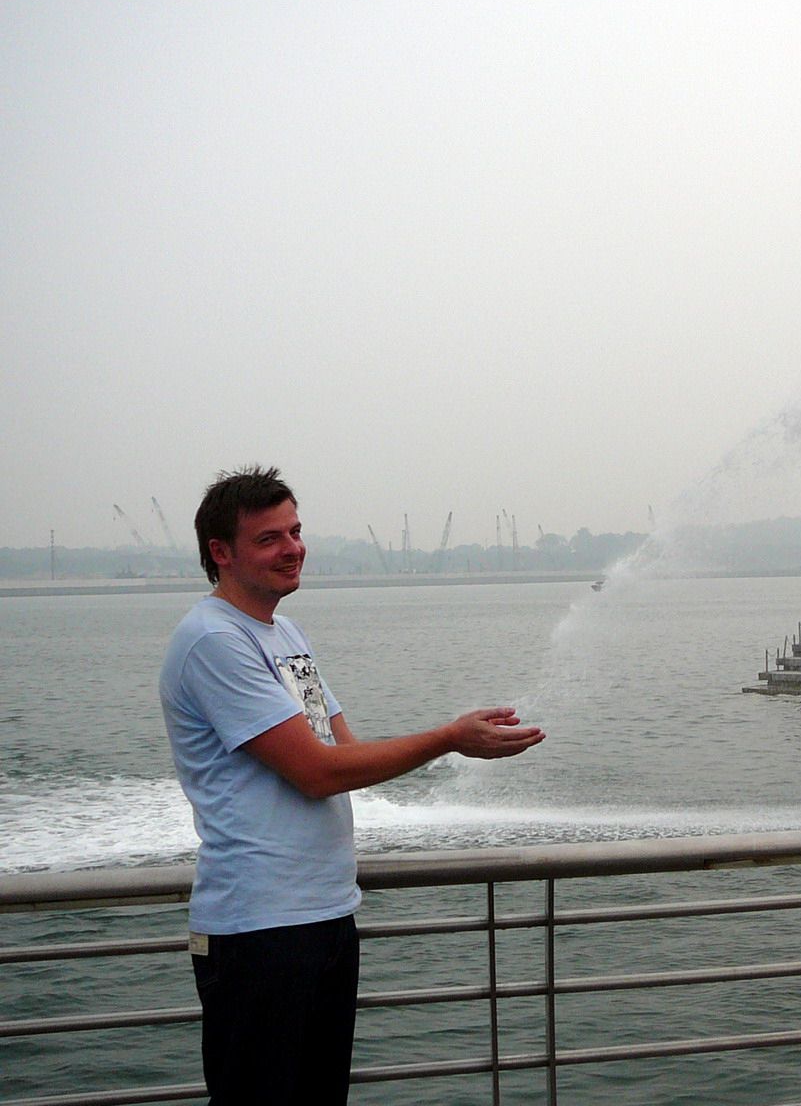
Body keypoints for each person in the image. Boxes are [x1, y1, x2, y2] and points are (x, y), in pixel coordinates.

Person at [159, 465, 545, 1104]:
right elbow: (316, 773)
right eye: (269, 539)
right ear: (220, 553)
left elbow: (347, 754)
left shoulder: (285, 634)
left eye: (295, 531)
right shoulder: (213, 641)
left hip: (325, 915)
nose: (292, 549)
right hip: (259, 929)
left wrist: (457, 738)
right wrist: (450, 738)